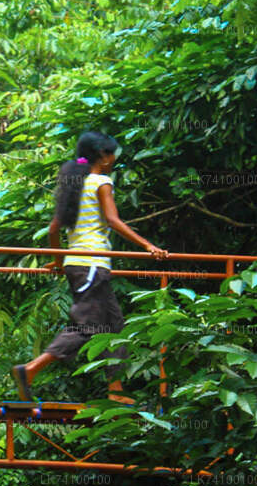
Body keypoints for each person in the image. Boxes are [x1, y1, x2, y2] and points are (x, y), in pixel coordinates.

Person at [11, 131, 168, 404]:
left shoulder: (75, 184)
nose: (114, 159)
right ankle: (31, 369)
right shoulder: (101, 182)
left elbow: (53, 230)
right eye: (112, 155)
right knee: (88, 327)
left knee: (114, 327)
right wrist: (147, 246)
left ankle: (116, 390)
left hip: (81, 265)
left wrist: (61, 261)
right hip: (92, 264)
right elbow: (112, 220)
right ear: (104, 157)